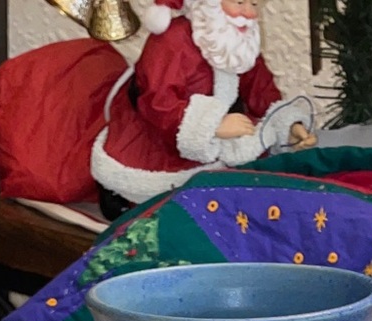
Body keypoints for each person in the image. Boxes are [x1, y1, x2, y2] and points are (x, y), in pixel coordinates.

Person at [92, 0, 316, 218]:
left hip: (218, 136)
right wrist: (212, 125)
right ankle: (122, 197)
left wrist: (289, 124)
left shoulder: (239, 40)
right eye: (239, 2)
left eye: (254, 4)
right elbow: (158, 103)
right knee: (163, 201)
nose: (249, 13)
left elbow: (261, 89)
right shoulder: (171, 42)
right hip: (160, 138)